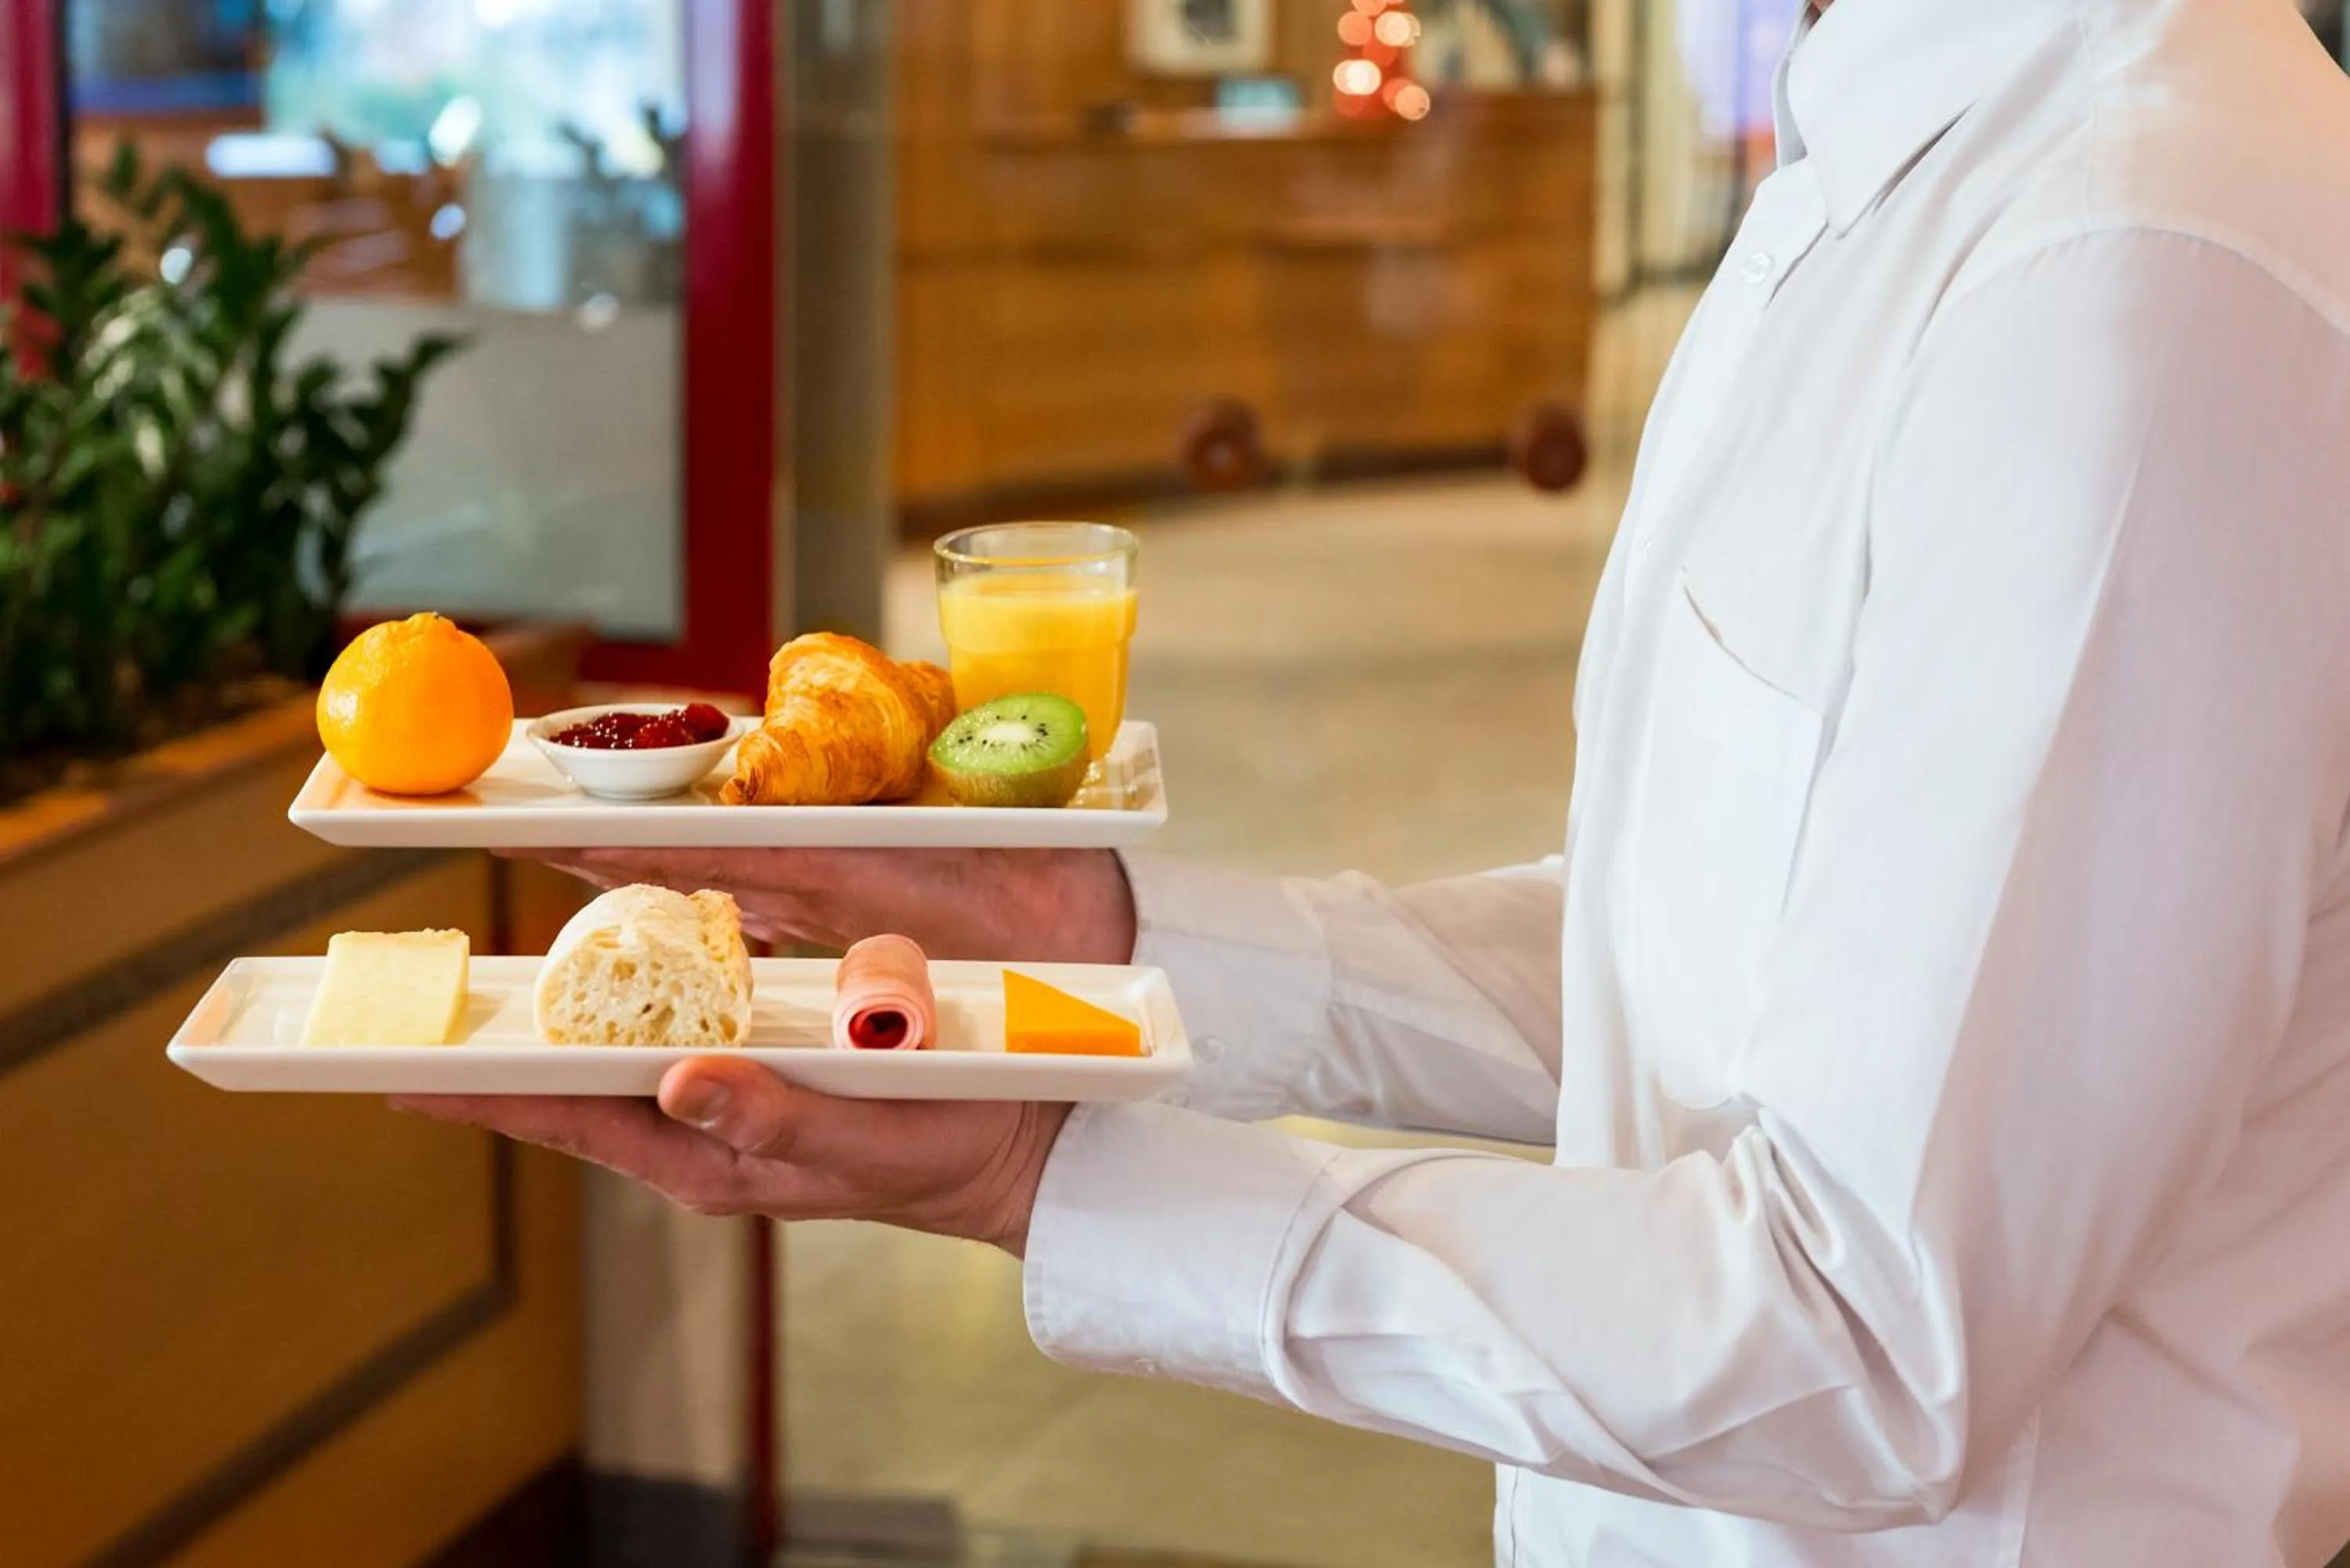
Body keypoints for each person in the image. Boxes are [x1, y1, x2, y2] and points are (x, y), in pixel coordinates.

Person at [405, 0, 2350, 1560]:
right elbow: (1700, 958)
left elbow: (1865, 1343)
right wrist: (1113, 942)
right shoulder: (1883, 166)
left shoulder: (2125, 274)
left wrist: (1043, 1179)